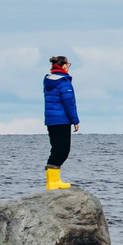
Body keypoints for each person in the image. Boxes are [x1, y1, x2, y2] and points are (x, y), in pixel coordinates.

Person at [43, 55, 81, 190]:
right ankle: (53, 182)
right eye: (68, 64)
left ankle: (52, 181)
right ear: (64, 66)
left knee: (56, 149)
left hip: (51, 120)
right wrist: (75, 120)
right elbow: (69, 103)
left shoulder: (47, 80)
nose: (69, 67)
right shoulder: (63, 81)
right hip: (62, 120)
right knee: (62, 150)